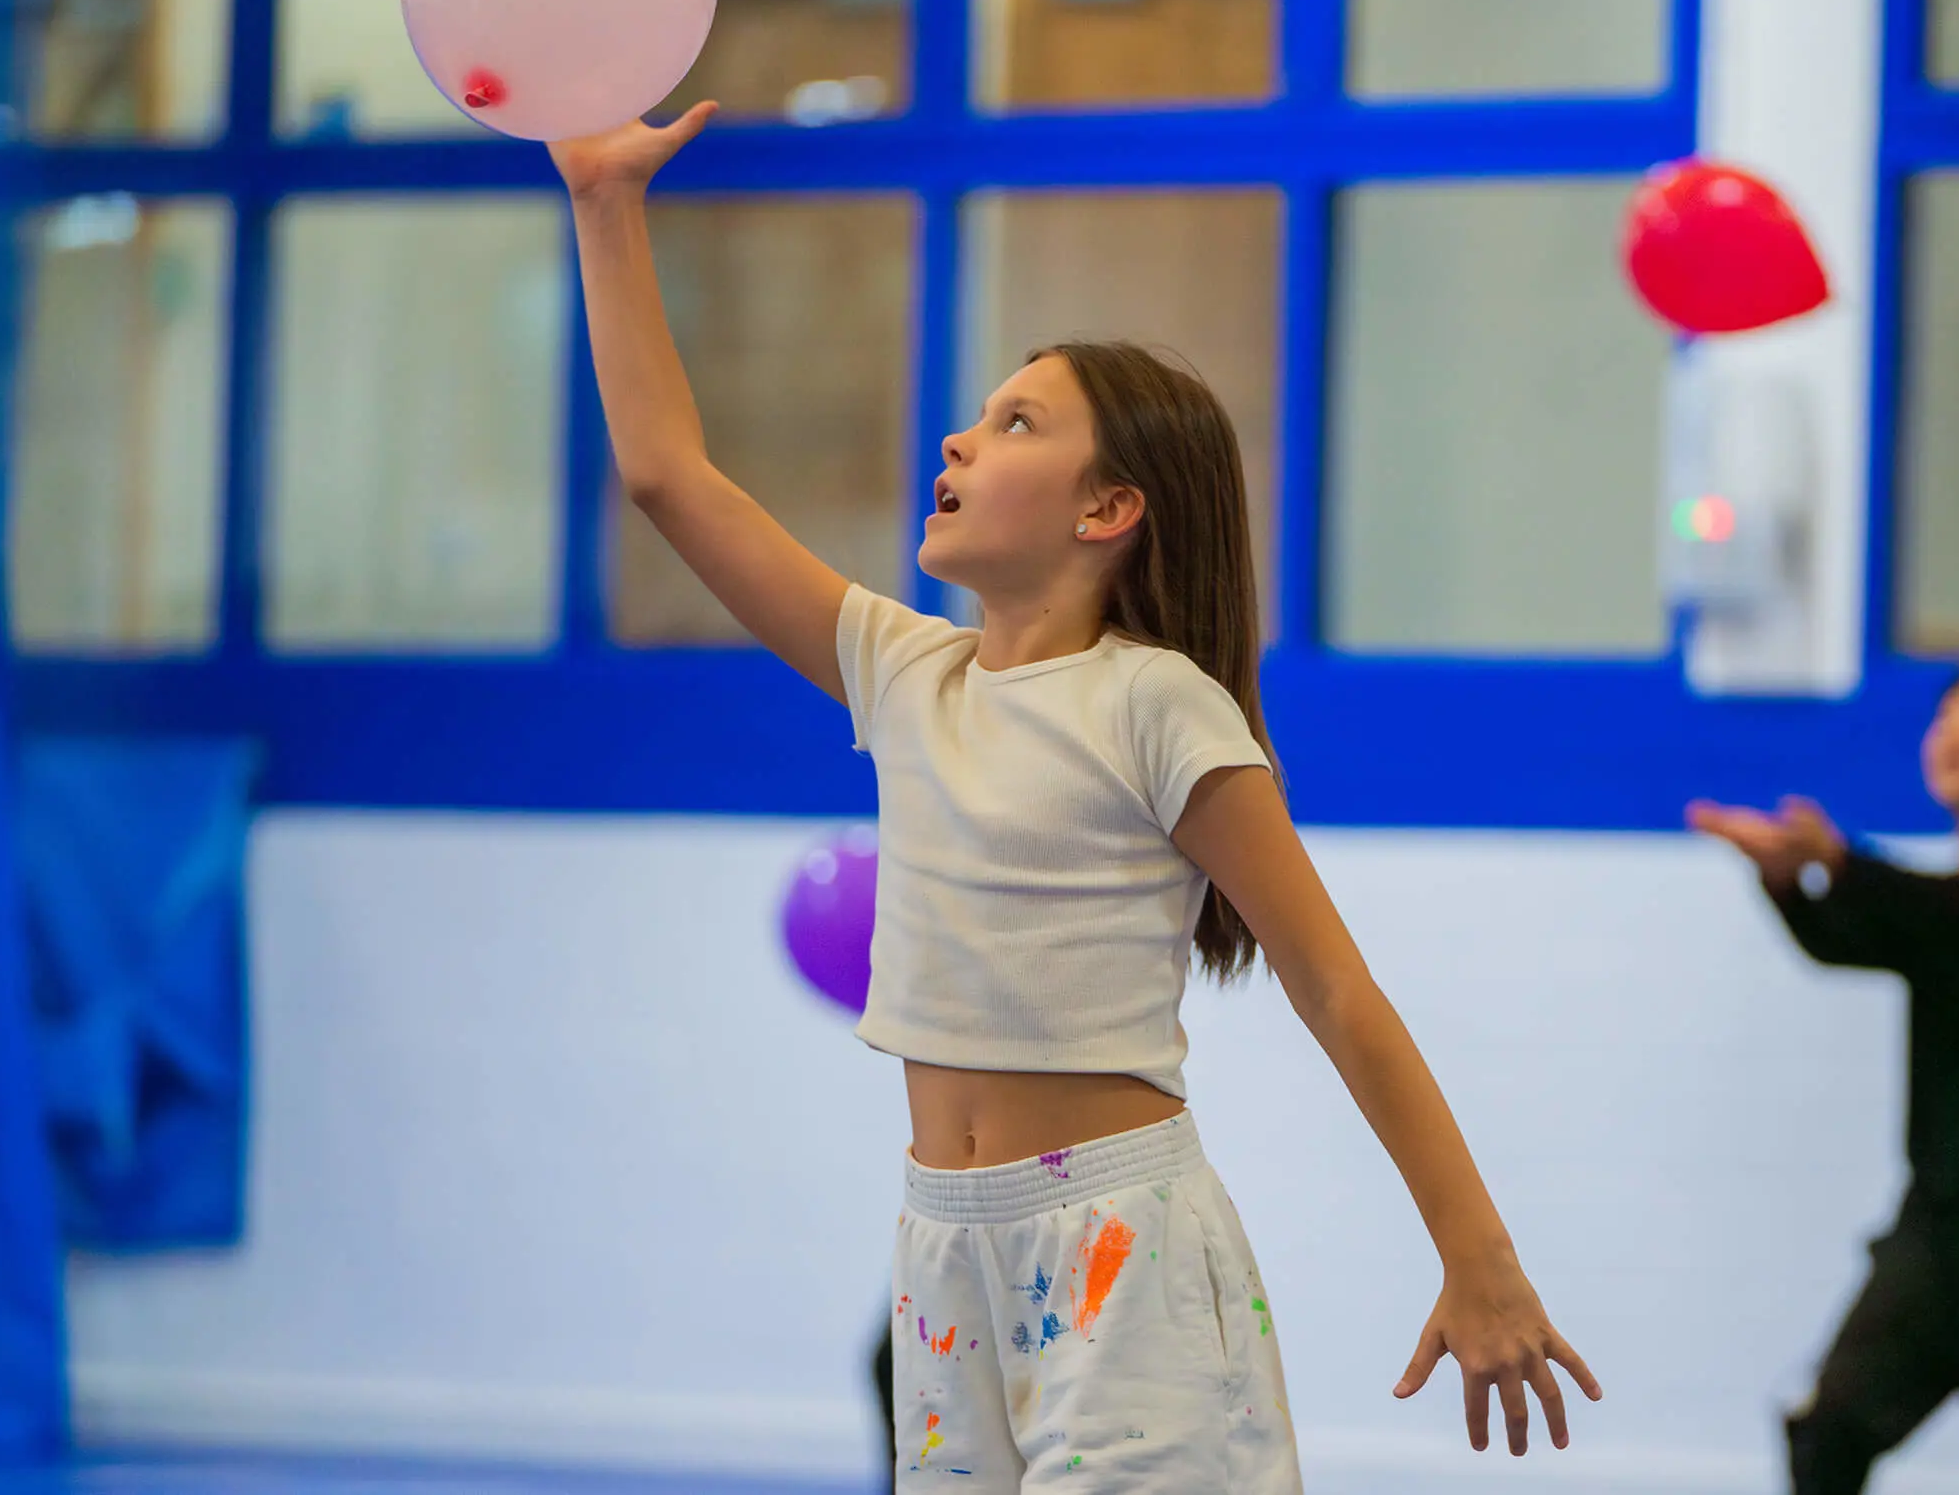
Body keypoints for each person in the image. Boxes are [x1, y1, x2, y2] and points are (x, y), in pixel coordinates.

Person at [552, 105, 1597, 1492]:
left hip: (1119, 1253)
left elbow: (1337, 988)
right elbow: (666, 477)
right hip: (940, 1253)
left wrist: (1479, 1258)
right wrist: (604, 204)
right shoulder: (901, 671)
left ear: (1108, 511)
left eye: (1014, 421)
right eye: (979, 417)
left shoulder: (1156, 702)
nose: (961, 438)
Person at [1688, 666, 1959, 1495]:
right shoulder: (1937, 910)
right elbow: (1843, 938)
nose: (1950, 732)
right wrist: (1785, 882)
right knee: (1827, 1435)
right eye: (1943, 716)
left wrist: (1843, 860)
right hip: (1937, 1239)